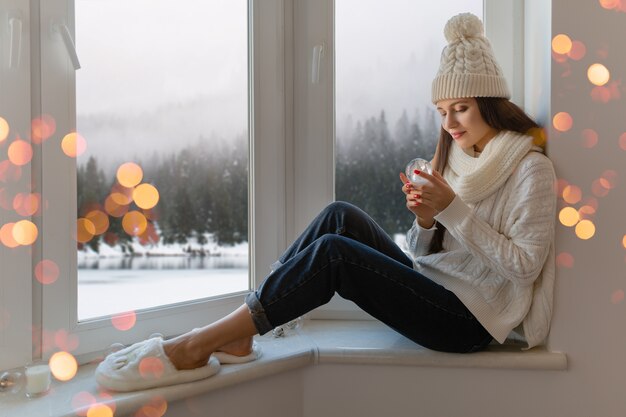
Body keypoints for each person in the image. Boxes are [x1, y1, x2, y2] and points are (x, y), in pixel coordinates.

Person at [96, 12, 556, 391]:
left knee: (335, 256)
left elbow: (524, 267)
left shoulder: (530, 169)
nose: (450, 123)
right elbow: (424, 257)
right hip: (436, 288)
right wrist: (428, 222)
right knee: (340, 216)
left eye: (461, 107)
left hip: (467, 321)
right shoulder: (457, 158)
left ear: (490, 102)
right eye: (442, 111)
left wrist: (453, 210)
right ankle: (240, 328)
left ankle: (199, 343)